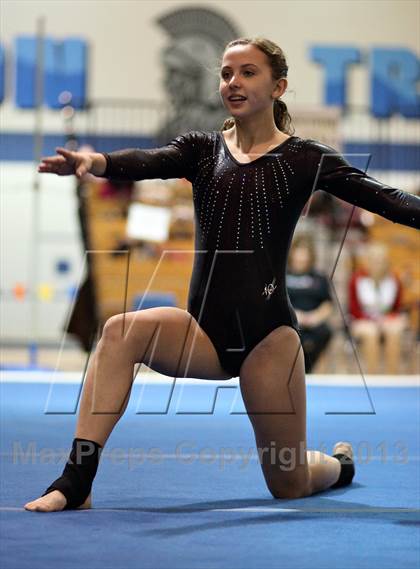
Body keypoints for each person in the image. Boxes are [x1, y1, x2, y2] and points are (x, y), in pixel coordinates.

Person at [25, 37, 420, 512]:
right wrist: (96, 163)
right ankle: (76, 481)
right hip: (203, 333)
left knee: (289, 483)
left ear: (279, 86)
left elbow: (384, 199)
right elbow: (148, 162)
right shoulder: (201, 149)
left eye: (248, 72)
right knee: (119, 332)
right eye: (227, 73)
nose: (234, 82)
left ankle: (340, 465)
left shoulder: (305, 158)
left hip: (268, 340)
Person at [349, 242, 408, 374]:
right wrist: (373, 320)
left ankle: (392, 376)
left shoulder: (395, 279)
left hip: (387, 320)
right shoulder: (356, 279)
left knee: (394, 331)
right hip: (362, 320)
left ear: (386, 262)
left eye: (381, 260)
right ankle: (372, 376)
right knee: (371, 333)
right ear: (367, 261)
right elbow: (353, 309)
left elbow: (397, 309)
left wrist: (387, 319)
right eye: (374, 260)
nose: (377, 264)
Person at [286, 235, 333, 372]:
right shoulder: (282, 276)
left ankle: (311, 371)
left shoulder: (319, 277)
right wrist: (294, 316)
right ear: (292, 253)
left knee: (325, 332)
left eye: (304, 253)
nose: (301, 258)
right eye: (298, 253)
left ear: (310, 256)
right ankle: (293, 371)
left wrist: (315, 317)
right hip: (290, 322)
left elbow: (327, 303)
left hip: (314, 323)